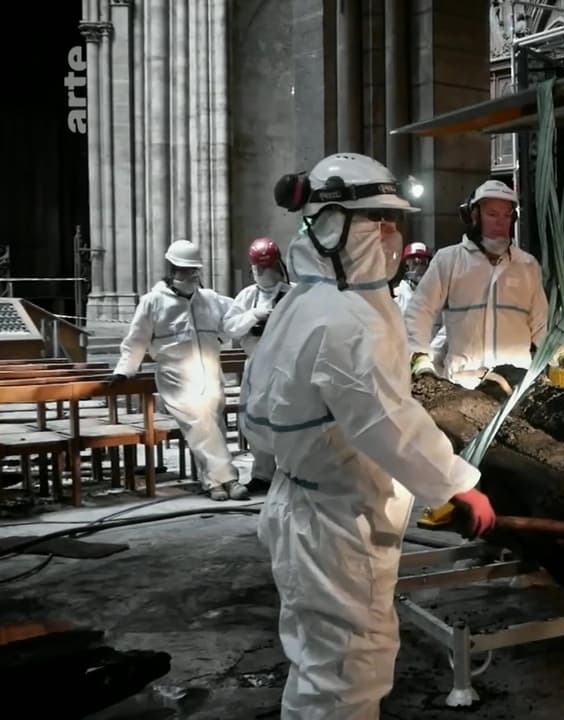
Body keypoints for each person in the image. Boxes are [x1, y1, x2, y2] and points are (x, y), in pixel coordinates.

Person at [245, 152, 496, 717]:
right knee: (347, 673)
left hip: (310, 502)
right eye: (378, 222)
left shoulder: (311, 301)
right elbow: (385, 419)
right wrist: (457, 483)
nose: (390, 235)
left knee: (321, 665)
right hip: (335, 522)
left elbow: (258, 418)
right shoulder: (343, 318)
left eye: (394, 222)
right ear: (334, 226)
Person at [403, 179, 564, 389]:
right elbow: (420, 311)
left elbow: (540, 325)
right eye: (492, 214)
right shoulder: (449, 260)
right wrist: (419, 354)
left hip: (516, 388)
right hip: (464, 385)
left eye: (507, 216)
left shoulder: (527, 265)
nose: (501, 222)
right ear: (474, 216)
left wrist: (560, 351)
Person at [110, 240, 246, 500]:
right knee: (199, 423)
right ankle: (229, 478)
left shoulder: (211, 299)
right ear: (172, 270)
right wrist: (124, 370)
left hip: (209, 371)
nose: (191, 275)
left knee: (212, 425)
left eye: (194, 270)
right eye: (184, 270)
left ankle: (213, 483)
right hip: (176, 376)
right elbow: (136, 339)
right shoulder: (153, 302)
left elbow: (237, 316)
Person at [222, 237, 293, 492]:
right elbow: (229, 327)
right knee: (255, 420)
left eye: (265, 268)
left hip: (286, 369)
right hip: (256, 368)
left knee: (285, 420)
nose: (261, 273)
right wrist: (253, 316)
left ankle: (288, 473)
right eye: (257, 268)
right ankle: (262, 474)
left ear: (277, 266)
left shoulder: (292, 294)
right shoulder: (248, 296)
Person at [392, 241, 432, 314]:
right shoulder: (397, 296)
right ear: (407, 266)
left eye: (423, 263)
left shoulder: (435, 294)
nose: (419, 268)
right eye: (415, 262)